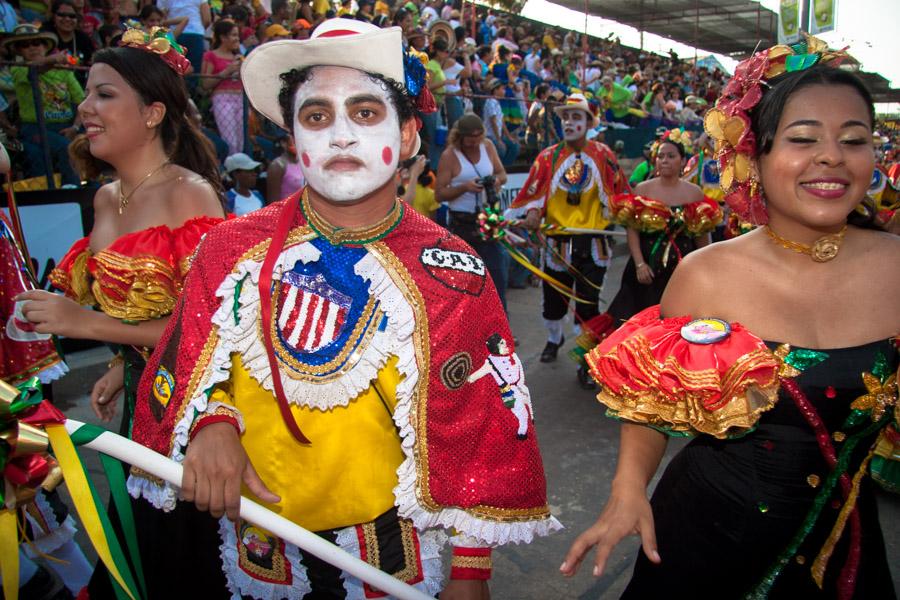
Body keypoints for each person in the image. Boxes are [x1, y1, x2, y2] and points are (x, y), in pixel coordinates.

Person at [128, 19, 560, 598]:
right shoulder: (229, 248)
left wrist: (470, 572)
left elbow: (479, 430)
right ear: (292, 139)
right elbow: (190, 370)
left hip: (388, 551)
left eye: (364, 112)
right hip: (255, 541)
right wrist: (211, 421)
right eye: (315, 117)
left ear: (407, 136)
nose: (339, 136)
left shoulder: (453, 269)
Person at [562, 39, 900, 598]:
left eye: (854, 140)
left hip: (843, 552)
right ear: (754, 157)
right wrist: (628, 490)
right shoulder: (705, 275)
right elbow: (654, 403)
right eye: (803, 138)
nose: (832, 157)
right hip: (704, 534)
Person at [17, 30, 226, 597]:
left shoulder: (191, 194)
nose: (85, 109)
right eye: (87, 94)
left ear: (154, 112)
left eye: (104, 95)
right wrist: (119, 360)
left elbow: (207, 330)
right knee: (142, 557)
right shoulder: (108, 197)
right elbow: (146, 313)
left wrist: (83, 325)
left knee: (182, 562)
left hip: (195, 417)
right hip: (140, 406)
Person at [510, 93, 630, 387]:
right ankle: (554, 339)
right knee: (553, 302)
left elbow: (620, 194)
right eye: (565, 117)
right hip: (558, 244)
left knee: (587, 305)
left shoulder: (604, 155)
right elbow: (534, 194)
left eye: (576, 117)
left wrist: (625, 214)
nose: (569, 122)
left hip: (593, 243)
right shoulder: (548, 157)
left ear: (589, 122)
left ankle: (585, 359)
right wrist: (535, 213)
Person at [605, 130, 721, 323]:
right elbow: (632, 229)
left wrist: (704, 270)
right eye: (660, 156)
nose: (664, 160)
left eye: (670, 156)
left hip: (681, 270)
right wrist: (639, 264)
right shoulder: (643, 189)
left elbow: (702, 236)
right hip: (647, 268)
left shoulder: (694, 193)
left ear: (683, 161)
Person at [436, 113, 509, 309]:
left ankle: (502, 327)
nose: (475, 143)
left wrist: (495, 181)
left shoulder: (488, 146)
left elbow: (502, 174)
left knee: (496, 275)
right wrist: (464, 187)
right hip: (463, 224)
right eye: (471, 139)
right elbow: (440, 194)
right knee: (466, 280)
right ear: (460, 136)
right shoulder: (450, 156)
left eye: (479, 138)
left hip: (488, 220)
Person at [4, 24, 84, 187]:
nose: (32, 48)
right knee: (65, 148)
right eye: (25, 45)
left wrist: (75, 127)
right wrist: (54, 59)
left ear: (45, 46)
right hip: (34, 127)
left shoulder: (63, 71)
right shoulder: (18, 69)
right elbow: (34, 70)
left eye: (37, 43)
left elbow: (81, 101)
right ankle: (70, 189)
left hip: (66, 125)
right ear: (19, 51)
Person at [202, 20, 245, 155]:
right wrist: (226, 72)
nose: (237, 39)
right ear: (223, 37)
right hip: (222, 99)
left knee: (241, 140)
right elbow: (205, 83)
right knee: (230, 139)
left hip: (240, 98)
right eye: (233, 35)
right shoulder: (211, 55)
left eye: (237, 35)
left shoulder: (238, 57)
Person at [266, 134, 304, 202]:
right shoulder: (277, 166)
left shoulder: (303, 163)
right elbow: (273, 201)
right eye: (293, 140)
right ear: (283, 143)